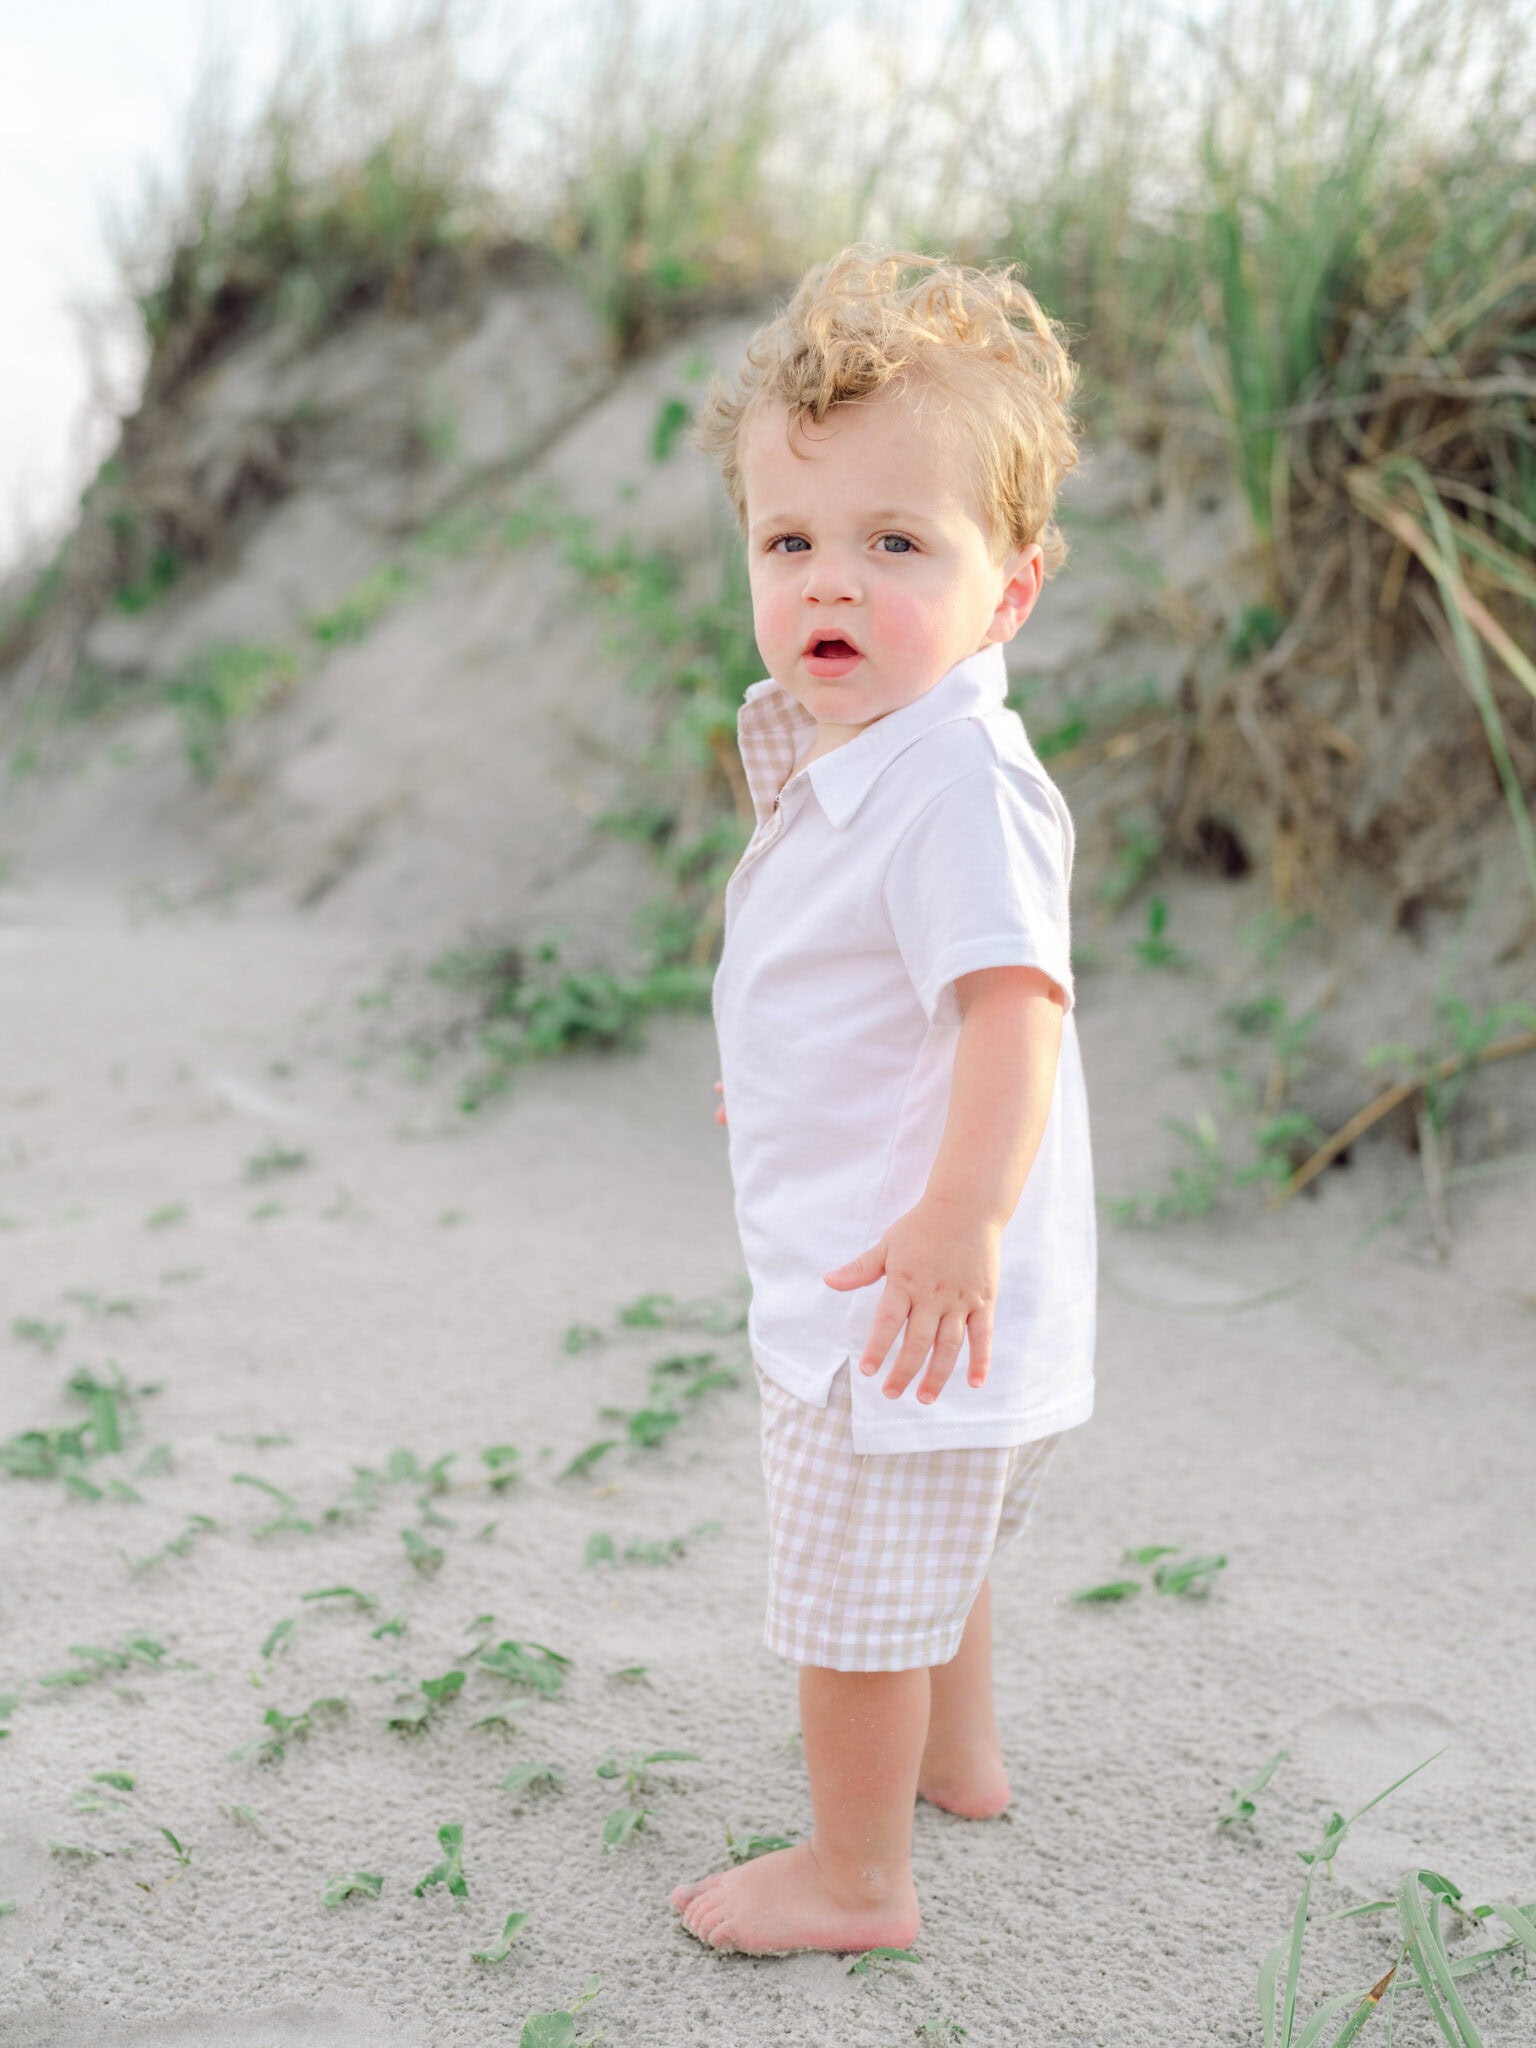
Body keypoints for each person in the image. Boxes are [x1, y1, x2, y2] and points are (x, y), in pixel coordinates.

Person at [671, 244, 1097, 1957]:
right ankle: (963, 1762)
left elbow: (1012, 1008)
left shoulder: (953, 783)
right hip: (935, 1293)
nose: (830, 580)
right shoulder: (866, 743)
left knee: (856, 1593)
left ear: (1011, 591)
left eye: (896, 543)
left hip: (907, 1290)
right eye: (792, 541)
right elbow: (860, 994)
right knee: (943, 1529)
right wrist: (777, 1092)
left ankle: (856, 1878)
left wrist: (954, 1216)